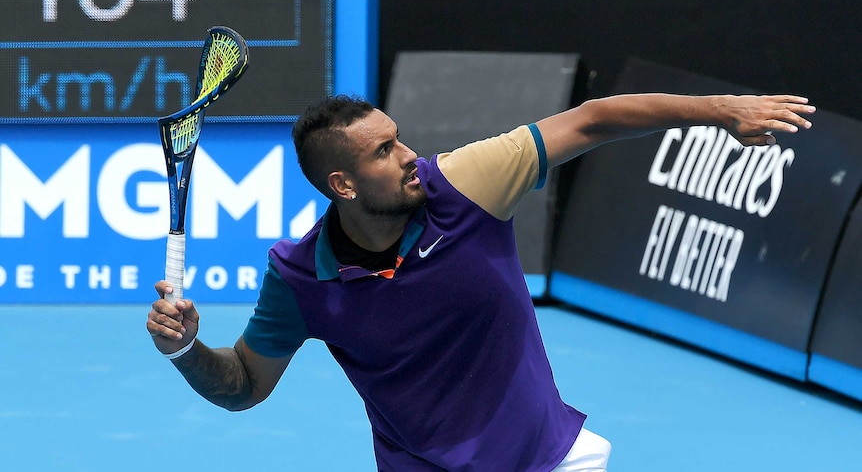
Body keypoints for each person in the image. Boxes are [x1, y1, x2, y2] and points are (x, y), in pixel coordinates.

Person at [147, 92, 815, 471]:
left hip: (546, 459)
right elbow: (242, 385)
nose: (410, 156)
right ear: (341, 184)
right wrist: (183, 349)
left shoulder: (467, 183)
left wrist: (722, 110)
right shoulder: (298, 278)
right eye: (384, 151)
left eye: (399, 137)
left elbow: (590, 119)